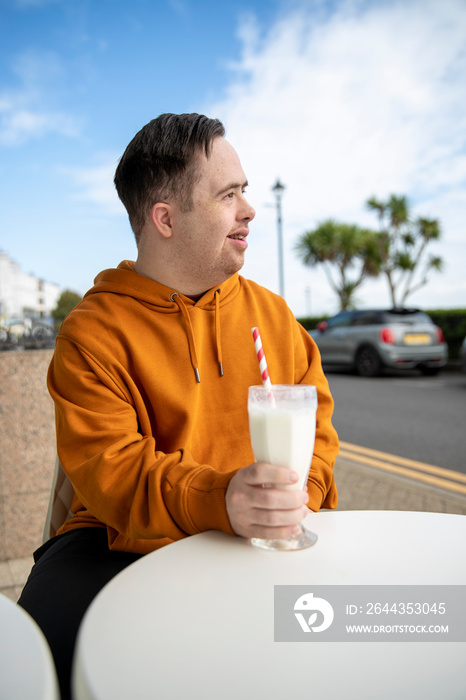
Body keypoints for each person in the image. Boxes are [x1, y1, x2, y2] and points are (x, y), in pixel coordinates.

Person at [18, 113, 339, 698]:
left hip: (257, 533)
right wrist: (222, 499)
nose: (249, 210)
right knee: (47, 651)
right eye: (228, 194)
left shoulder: (274, 318)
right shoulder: (92, 333)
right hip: (115, 537)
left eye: (246, 190)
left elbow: (318, 433)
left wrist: (292, 505)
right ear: (164, 218)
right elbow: (114, 473)